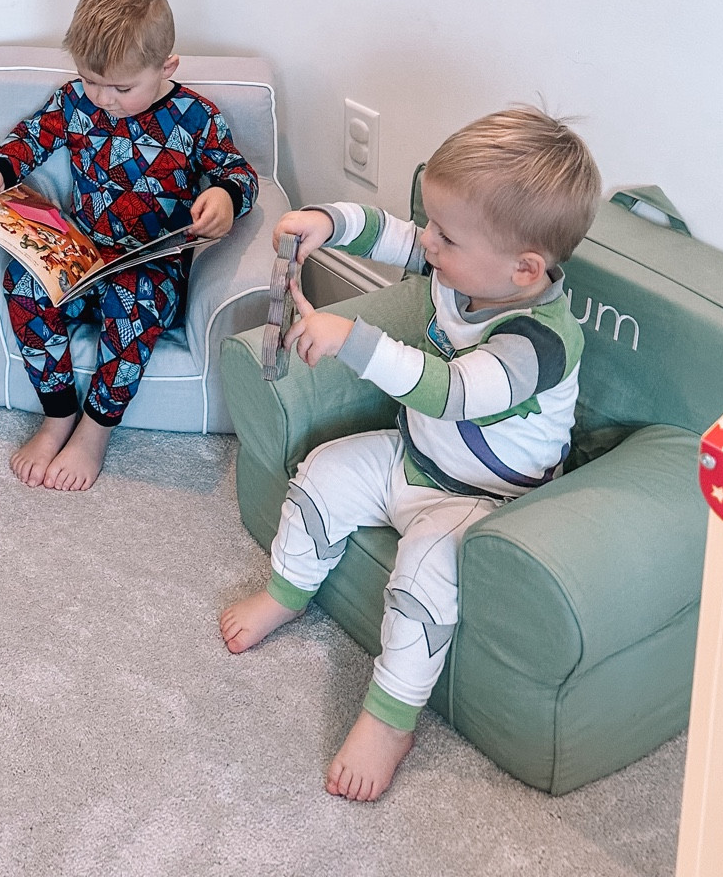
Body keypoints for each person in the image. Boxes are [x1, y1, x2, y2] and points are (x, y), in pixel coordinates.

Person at [218, 108, 600, 802]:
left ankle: (390, 719)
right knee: (323, 474)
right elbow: (392, 236)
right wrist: (328, 223)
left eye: (444, 236)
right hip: (414, 459)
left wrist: (354, 337)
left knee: (425, 577)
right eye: (433, 225)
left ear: (525, 269)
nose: (429, 243)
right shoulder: (467, 268)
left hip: (484, 502)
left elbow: (452, 393)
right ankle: (286, 590)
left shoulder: (539, 342)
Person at [0, 0, 258, 492]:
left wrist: (224, 199)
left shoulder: (195, 117)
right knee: (23, 280)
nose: (103, 98)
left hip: (149, 270)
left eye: (122, 87)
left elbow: (238, 174)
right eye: (90, 80)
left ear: (166, 67)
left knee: (133, 302)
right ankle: (57, 412)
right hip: (80, 257)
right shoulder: (74, 103)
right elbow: (31, 138)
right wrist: (0, 171)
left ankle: (95, 429)